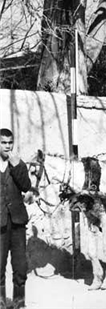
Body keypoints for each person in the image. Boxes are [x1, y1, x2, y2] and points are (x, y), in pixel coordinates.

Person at [1, 128, 31, 309]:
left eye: (10, 142)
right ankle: (1, 304)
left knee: (20, 266)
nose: (7, 146)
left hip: (18, 222)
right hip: (0, 223)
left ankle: (19, 303)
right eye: (3, 142)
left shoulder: (19, 164)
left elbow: (26, 186)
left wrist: (17, 166)